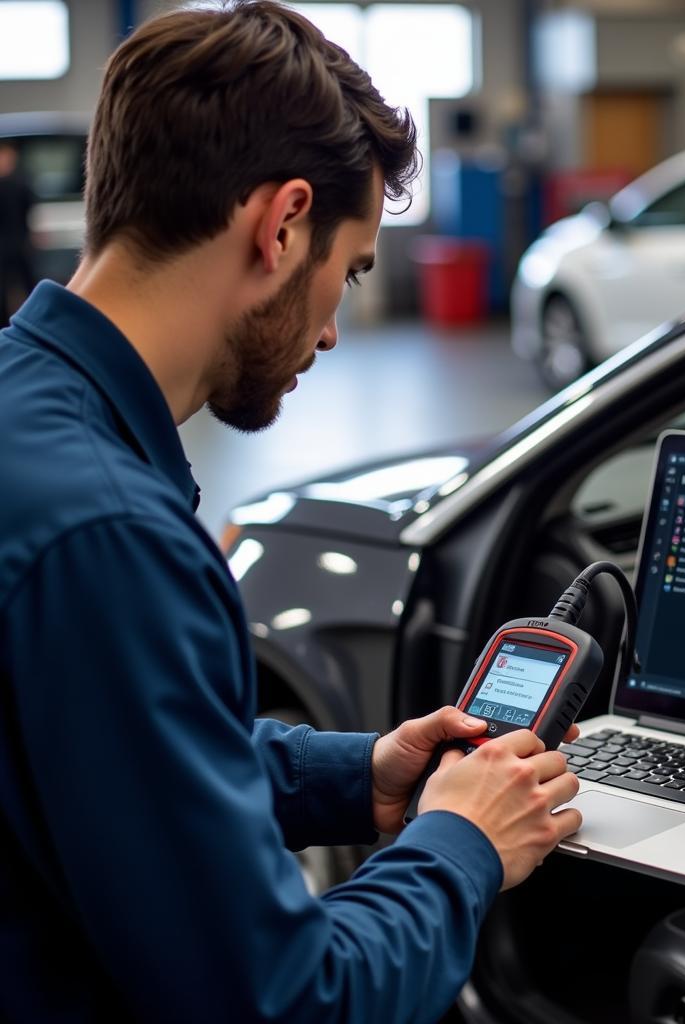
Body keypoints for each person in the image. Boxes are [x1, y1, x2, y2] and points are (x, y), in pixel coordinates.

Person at [0, 3, 583, 1022]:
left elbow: (108, 765)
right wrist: (463, 841)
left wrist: (358, 773)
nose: (331, 329)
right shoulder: (112, 538)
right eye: (349, 270)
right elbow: (282, 997)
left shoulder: (26, 415)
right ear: (280, 225)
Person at [0, 140, 37, 325]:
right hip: (4, 243)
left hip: (20, 241)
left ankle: (36, 316)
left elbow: (30, 208)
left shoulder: (21, 181)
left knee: (28, 280)